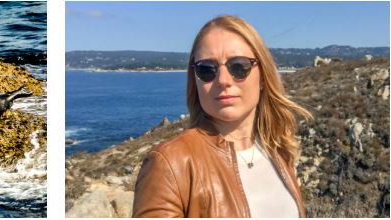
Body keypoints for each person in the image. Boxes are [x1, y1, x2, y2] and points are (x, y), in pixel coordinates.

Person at [132, 15, 313, 218]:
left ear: (263, 76)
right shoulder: (170, 164)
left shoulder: (278, 150)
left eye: (239, 66)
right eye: (207, 69)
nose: (223, 80)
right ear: (195, 80)